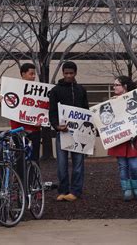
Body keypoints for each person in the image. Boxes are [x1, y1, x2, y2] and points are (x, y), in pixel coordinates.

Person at [49, 61, 89, 202]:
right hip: (62, 132)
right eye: (66, 73)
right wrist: (57, 126)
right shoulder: (55, 91)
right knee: (61, 164)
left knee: (78, 163)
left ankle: (76, 191)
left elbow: (86, 111)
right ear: (63, 73)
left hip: (79, 133)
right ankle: (63, 191)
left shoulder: (81, 90)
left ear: (75, 73)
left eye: (71, 73)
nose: (68, 76)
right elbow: (52, 112)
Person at [107, 76, 137, 201]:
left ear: (125, 86)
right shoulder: (111, 102)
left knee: (134, 166)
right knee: (122, 166)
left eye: (117, 85)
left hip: (133, 139)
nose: (114, 87)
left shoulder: (135, 99)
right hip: (120, 141)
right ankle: (127, 189)